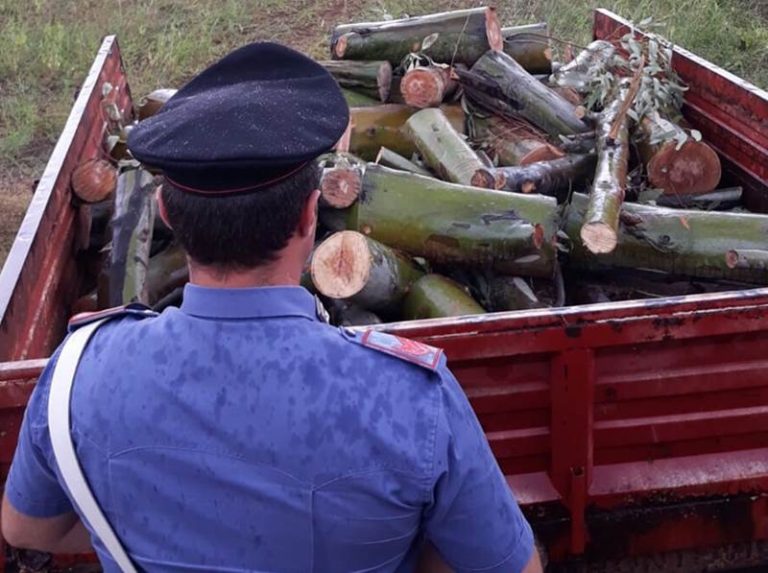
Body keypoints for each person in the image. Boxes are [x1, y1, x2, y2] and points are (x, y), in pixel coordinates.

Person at [2, 42, 542, 573]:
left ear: (165, 212)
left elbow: (26, 528)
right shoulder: (409, 400)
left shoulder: (78, 375)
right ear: (311, 215)